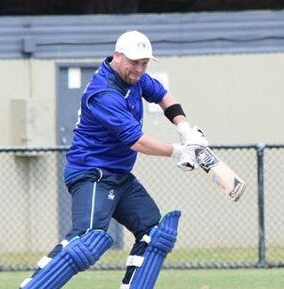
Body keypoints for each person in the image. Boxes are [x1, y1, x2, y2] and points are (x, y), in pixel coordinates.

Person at [19, 30, 208, 289]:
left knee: (156, 234)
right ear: (118, 56)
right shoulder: (104, 93)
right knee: (87, 240)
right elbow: (137, 141)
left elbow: (164, 96)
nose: (140, 69)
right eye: (134, 62)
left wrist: (186, 129)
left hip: (119, 175)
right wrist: (179, 151)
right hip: (92, 172)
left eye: (144, 63)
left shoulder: (136, 78)